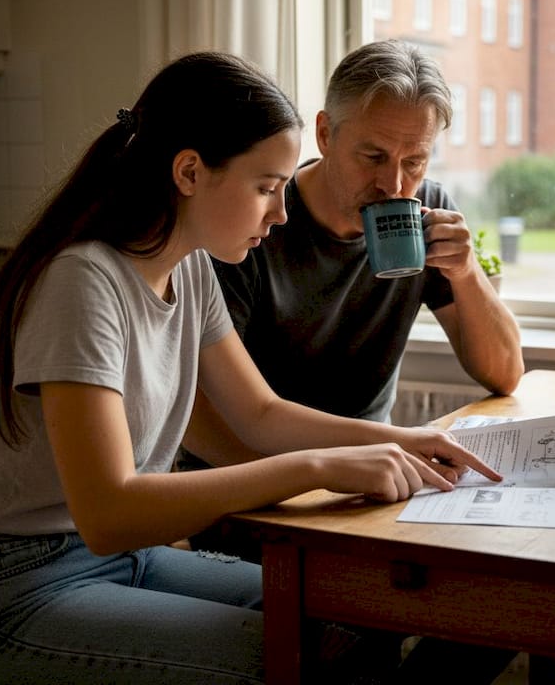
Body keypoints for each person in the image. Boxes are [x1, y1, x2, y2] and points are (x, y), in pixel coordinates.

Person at [0, 51, 501, 685]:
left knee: (351, 626)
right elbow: (108, 513)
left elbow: (260, 414)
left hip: (124, 561)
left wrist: (408, 439)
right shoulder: (82, 282)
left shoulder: (192, 267)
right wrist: (315, 466)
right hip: (14, 586)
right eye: (266, 187)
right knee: (296, 660)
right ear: (190, 172)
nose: (282, 212)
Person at [178, 38, 524, 474]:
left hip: (370, 467)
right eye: (373, 156)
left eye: (414, 162)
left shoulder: (426, 213)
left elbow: (505, 374)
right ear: (325, 134)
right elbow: (201, 415)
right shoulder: (251, 224)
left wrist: (466, 272)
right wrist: (304, 484)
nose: (394, 185)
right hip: (249, 478)